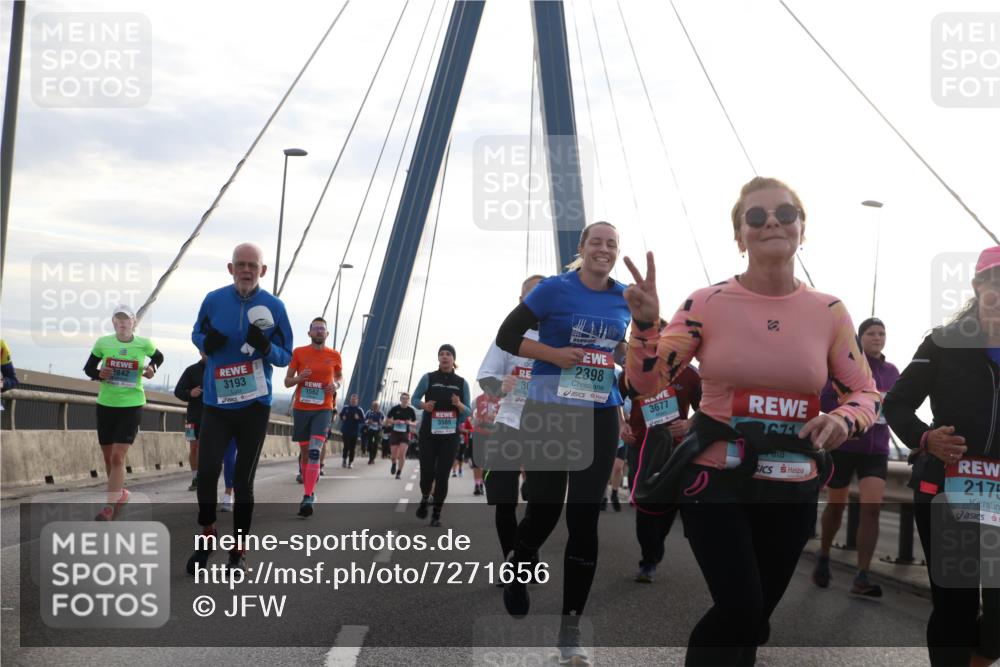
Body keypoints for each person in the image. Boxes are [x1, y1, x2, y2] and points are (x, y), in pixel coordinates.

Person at [624, 177, 879, 665]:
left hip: (792, 483)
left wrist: (845, 420)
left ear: (803, 229)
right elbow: (646, 384)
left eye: (785, 214)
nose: (772, 224)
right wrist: (646, 327)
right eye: (756, 217)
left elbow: (865, 390)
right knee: (739, 606)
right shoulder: (706, 303)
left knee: (753, 620)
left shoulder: (829, 310)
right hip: (716, 478)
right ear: (739, 236)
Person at [495, 222, 631, 665]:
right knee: (546, 508)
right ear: (582, 248)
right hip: (550, 408)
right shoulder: (554, 290)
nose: (604, 250)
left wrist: (638, 353)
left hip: (599, 411)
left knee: (584, 517)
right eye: (597, 242)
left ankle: (570, 631)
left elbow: (624, 351)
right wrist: (554, 355)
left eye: (611, 244)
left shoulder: (625, 296)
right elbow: (507, 336)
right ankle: (517, 562)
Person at [884, 246, 1000, 667]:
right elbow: (895, 404)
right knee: (956, 604)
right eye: (995, 282)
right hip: (946, 490)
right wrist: (924, 438)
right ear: (977, 286)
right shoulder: (942, 342)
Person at [186, 243, 293, 574]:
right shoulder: (213, 299)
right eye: (240, 264)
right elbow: (196, 332)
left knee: (244, 481)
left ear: (263, 271)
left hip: (254, 406)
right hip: (216, 403)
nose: (246, 270)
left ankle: (238, 550)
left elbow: (286, 355)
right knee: (206, 476)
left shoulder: (274, 306)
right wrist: (206, 343)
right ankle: (208, 535)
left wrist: (266, 348)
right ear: (231, 269)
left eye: (253, 265)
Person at [813, 317, 900, 596]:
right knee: (837, 506)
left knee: (872, 508)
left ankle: (862, 576)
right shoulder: (847, 369)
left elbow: (899, 406)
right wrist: (852, 406)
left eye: (882, 333)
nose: (877, 338)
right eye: (872, 333)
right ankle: (824, 554)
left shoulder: (891, 371)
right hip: (845, 447)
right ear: (860, 338)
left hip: (876, 451)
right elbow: (824, 401)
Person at [477, 274, 545, 569]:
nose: (537, 303)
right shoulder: (506, 337)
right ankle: (512, 559)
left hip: (548, 428)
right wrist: (499, 385)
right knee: (504, 498)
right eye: (530, 297)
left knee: (541, 502)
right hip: (509, 422)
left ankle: (526, 553)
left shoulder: (563, 336)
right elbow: (485, 377)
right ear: (521, 302)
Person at [621, 359, 701, 583]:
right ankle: (648, 558)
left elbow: (707, 406)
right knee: (644, 503)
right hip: (640, 445)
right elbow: (614, 396)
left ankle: (653, 555)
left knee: (667, 505)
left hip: (674, 448)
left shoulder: (690, 375)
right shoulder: (636, 369)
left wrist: (689, 425)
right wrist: (621, 424)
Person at [83, 304, 164, 521]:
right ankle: (121, 493)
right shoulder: (103, 342)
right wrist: (101, 373)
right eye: (117, 320)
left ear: (133, 323)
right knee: (109, 458)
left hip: (132, 404)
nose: (122, 323)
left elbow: (159, 357)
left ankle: (109, 507)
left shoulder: (143, 343)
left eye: (126, 319)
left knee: (118, 456)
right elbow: (88, 368)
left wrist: (151, 369)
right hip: (106, 404)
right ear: (113, 323)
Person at [285, 317, 341, 518]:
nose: (319, 331)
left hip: (323, 409)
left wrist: (337, 385)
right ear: (309, 333)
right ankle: (309, 486)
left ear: (327, 334)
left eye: (322, 329)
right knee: (306, 453)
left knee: (316, 451)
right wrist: (300, 378)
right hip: (301, 409)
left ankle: (308, 496)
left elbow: (339, 376)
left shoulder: (334, 355)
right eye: (315, 329)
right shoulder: (299, 353)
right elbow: (287, 381)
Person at [411, 344, 471, 527]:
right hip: (428, 434)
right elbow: (414, 399)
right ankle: (424, 496)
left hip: (450, 436)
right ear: (438, 358)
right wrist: (424, 406)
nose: (444, 357)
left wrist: (459, 405)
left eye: (448, 354)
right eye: (441, 354)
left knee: (442, 474)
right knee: (427, 474)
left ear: (454, 359)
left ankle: (437, 513)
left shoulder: (462, 383)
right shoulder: (428, 378)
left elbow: (467, 412)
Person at [175, 351, 207, 491]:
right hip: (193, 417)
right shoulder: (191, 370)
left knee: (204, 449)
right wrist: (190, 393)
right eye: (205, 351)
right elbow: (178, 391)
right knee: (193, 447)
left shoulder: (218, 368)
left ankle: (205, 478)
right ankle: (195, 478)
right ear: (200, 352)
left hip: (213, 417)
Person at [386, 393, 417, 479]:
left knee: (402, 454)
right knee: (393, 455)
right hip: (395, 433)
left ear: (408, 400)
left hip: (405, 433)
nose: (404, 400)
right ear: (400, 399)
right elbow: (387, 419)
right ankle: (394, 463)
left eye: (406, 398)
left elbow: (415, 423)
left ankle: (399, 472)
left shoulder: (411, 410)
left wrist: (409, 423)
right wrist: (394, 422)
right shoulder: (395, 409)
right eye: (403, 398)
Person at [339, 394, 366, 468]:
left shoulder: (359, 409)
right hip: (345, 430)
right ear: (350, 400)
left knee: (352, 448)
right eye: (352, 400)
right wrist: (343, 417)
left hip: (354, 431)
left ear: (357, 401)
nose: (353, 401)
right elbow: (341, 415)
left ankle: (350, 462)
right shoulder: (345, 408)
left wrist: (358, 418)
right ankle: (344, 460)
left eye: (355, 400)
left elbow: (363, 420)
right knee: (346, 446)